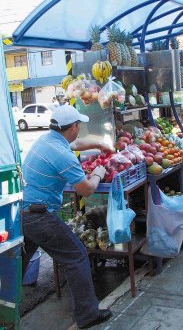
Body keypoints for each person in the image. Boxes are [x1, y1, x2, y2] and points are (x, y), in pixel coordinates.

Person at [22, 105, 114, 328]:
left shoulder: (47, 140)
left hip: (24, 212)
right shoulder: (63, 156)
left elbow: (77, 144)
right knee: (77, 256)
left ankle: (6, 307)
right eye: (78, 125)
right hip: (41, 217)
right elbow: (86, 189)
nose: (80, 128)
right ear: (73, 127)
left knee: (16, 265)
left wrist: (100, 144)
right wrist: (98, 174)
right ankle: (87, 315)